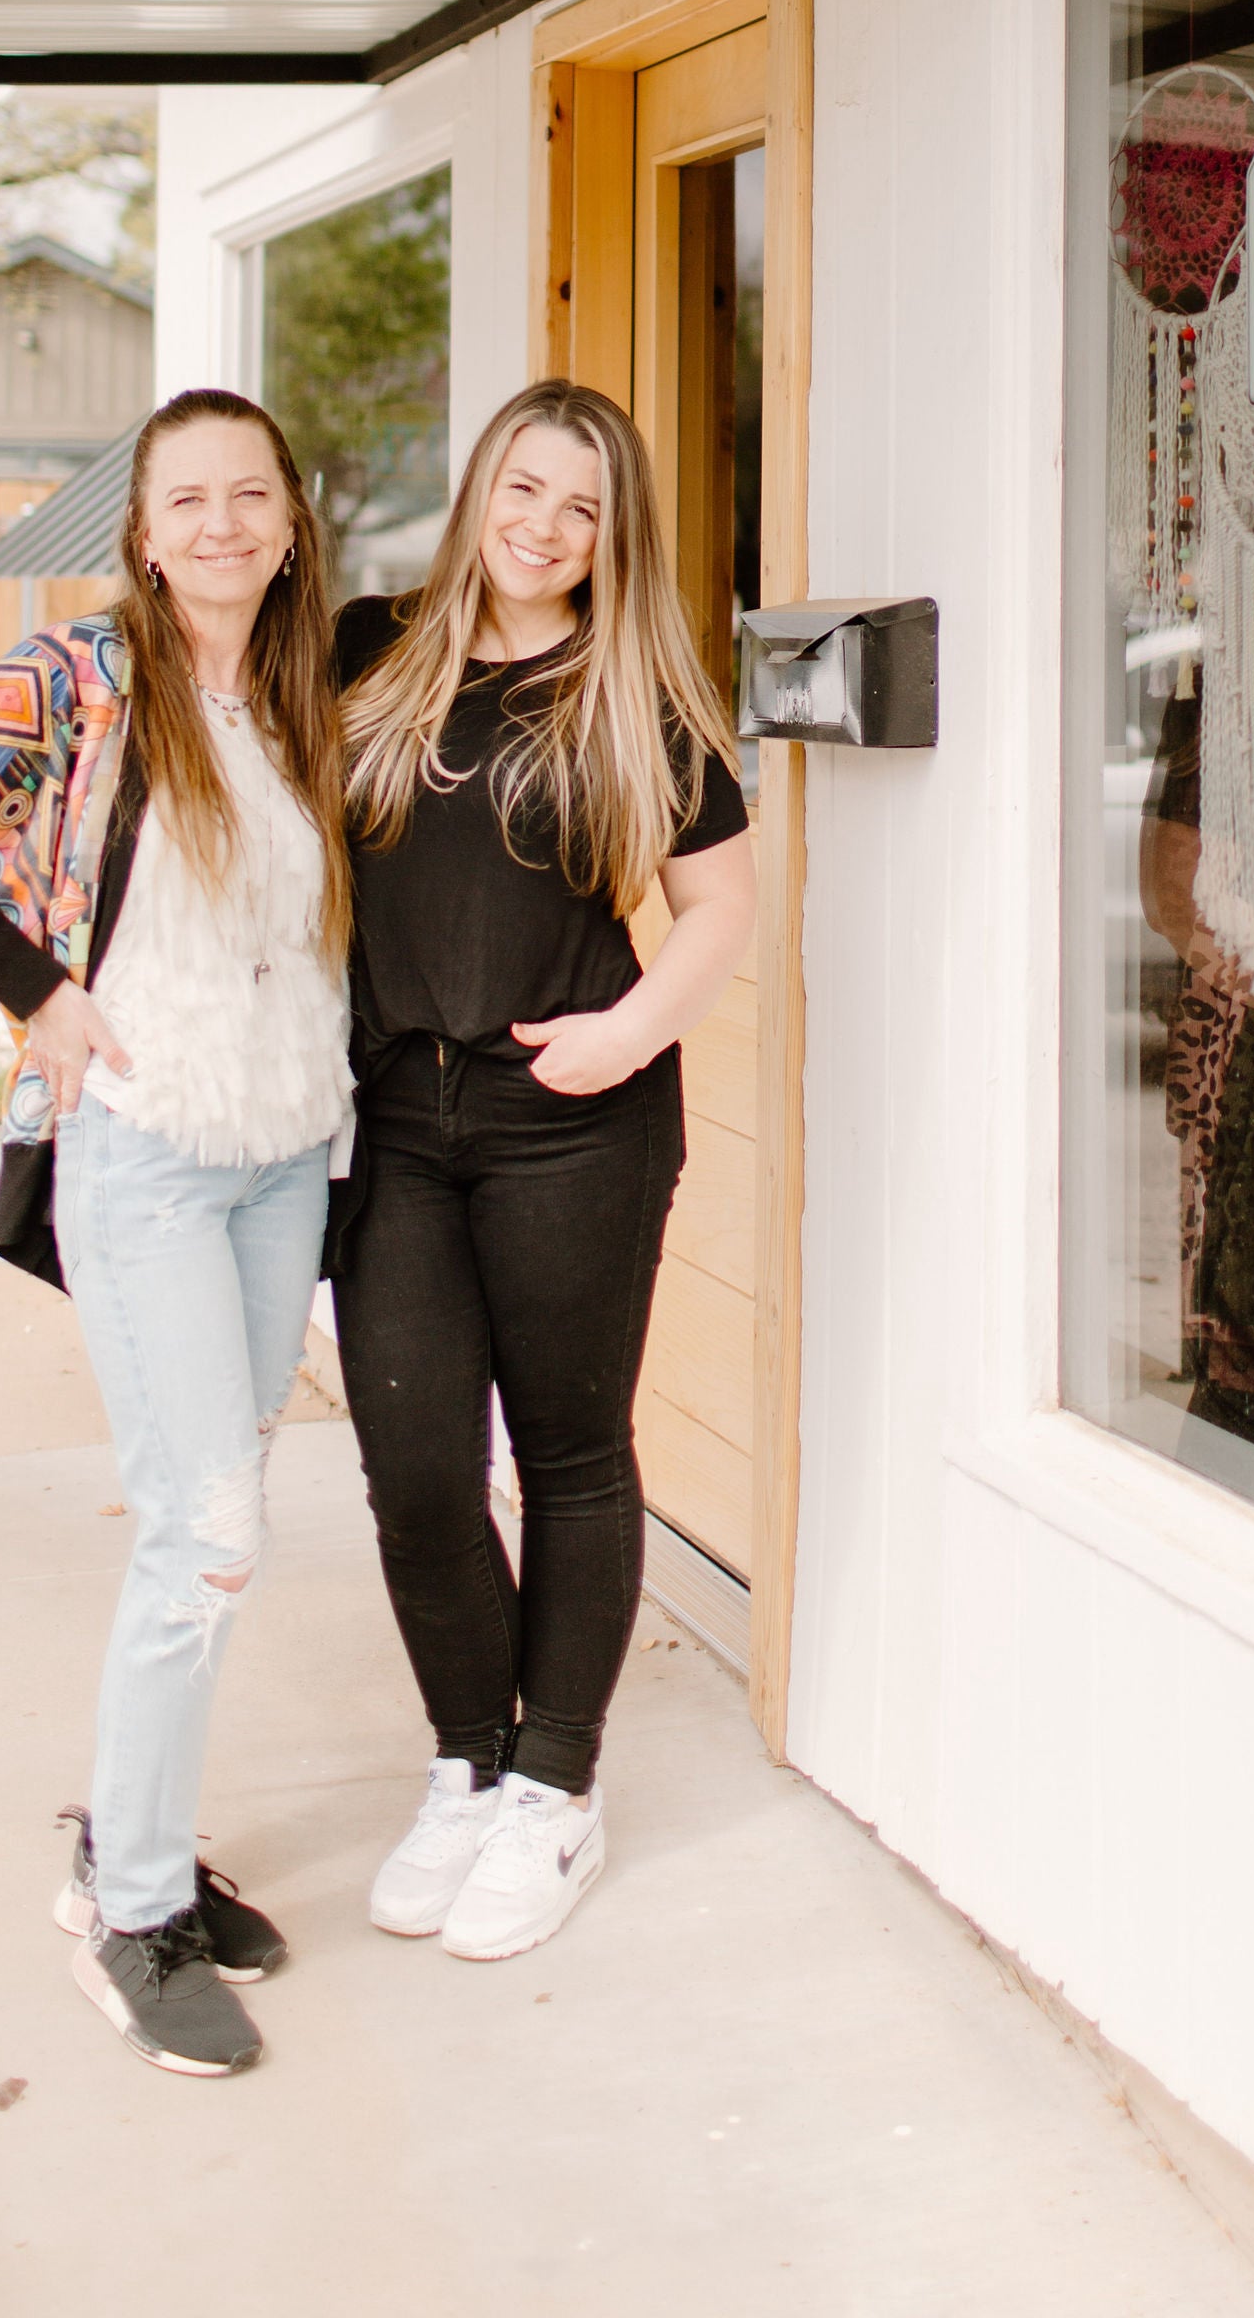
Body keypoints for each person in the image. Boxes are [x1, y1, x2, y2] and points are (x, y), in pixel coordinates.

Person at [0, 389, 353, 2080]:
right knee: (201, 1528)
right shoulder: (77, 677)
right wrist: (36, 995)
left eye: (247, 496)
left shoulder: (297, 686)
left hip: (282, 1151)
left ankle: (135, 1832)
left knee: (224, 1514)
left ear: (288, 519)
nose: (218, 525)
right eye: (184, 499)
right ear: (142, 527)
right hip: (149, 1152)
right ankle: (133, 1912)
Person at [333, 378, 755, 1962]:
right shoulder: (371, 651)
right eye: (524, 488)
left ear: (611, 532)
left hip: (571, 1119)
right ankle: (472, 1761)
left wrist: (626, 1038)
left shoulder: (637, 691)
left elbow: (720, 910)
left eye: (580, 506)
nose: (544, 526)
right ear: (478, 491)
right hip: (396, 1124)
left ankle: (557, 1791)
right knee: (418, 1465)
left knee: (573, 1454)